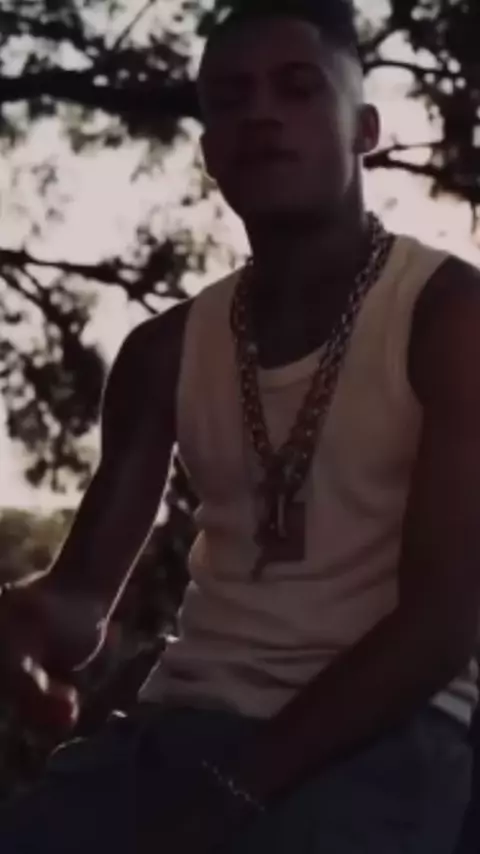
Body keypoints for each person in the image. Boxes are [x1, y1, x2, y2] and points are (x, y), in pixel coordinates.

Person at [0, 1, 479, 851]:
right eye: (230, 99)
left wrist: (237, 791)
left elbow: (443, 623)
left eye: (298, 88)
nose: (261, 114)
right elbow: (80, 602)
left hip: (392, 735)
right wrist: (24, 626)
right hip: (177, 729)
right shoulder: (162, 352)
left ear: (365, 127)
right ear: (211, 151)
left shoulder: (449, 316)